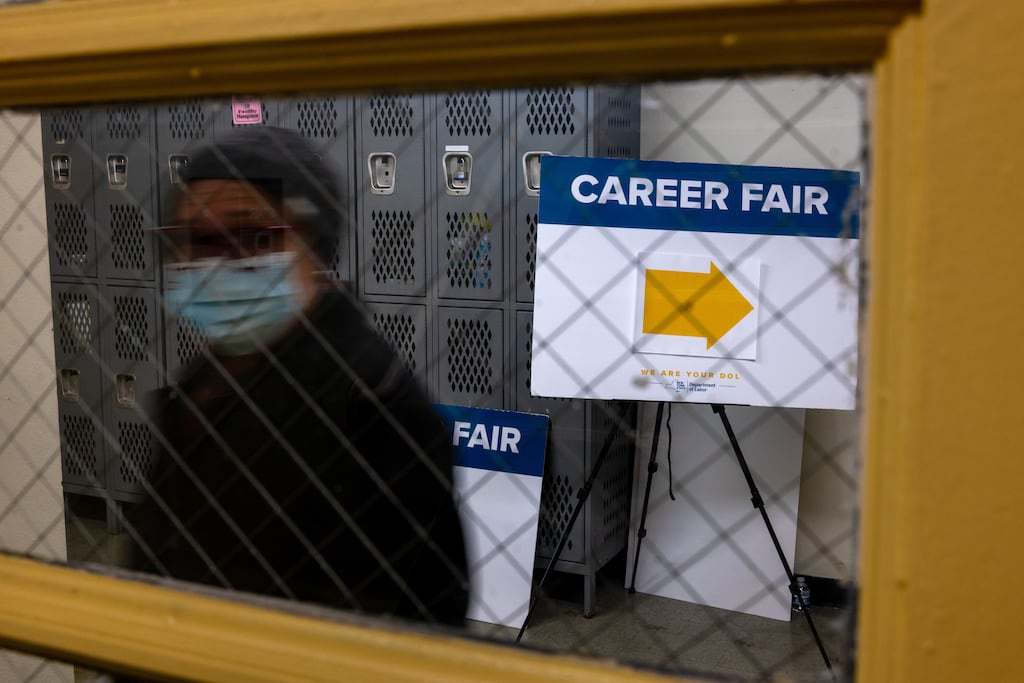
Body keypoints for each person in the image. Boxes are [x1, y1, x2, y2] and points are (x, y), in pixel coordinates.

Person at [128, 126, 469, 627]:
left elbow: (422, 615)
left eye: (253, 236)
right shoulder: (201, 383)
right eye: (198, 240)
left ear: (314, 245)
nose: (218, 260)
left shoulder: (375, 398)